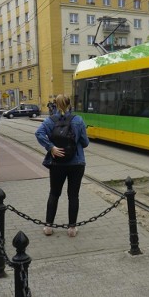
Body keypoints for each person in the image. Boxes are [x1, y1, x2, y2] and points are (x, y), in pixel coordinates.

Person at [35, 94, 89, 237]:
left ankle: (48, 227)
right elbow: (85, 143)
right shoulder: (78, 120)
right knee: (73, 195)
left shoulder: (50, 120)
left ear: (56, 105)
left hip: (57, 163)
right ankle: (72, 229)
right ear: (70, 104)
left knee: (54, 193)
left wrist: (51, 147)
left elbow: (38, 133)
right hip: (76, 162)